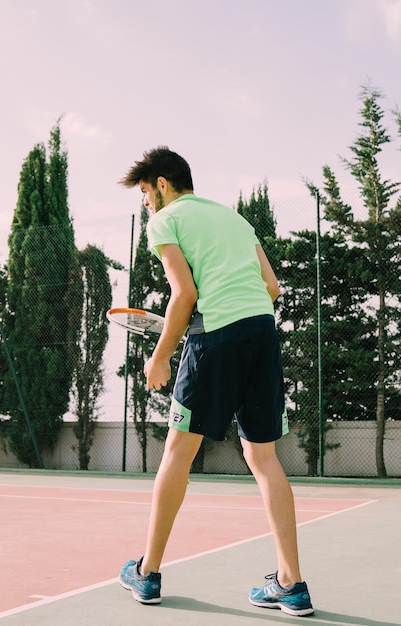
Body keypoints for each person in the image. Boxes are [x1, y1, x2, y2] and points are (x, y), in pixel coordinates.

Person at [117, 147, 314, 617]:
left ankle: (147, 573)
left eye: (145, 192)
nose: (144, 203)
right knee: (263, 456)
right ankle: (292, 585)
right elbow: (271, 287)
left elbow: (184, 294)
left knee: (178, 452)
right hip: (262, 333)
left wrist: (161, 357)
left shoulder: (164, 222)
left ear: (162, 184)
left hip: (217, 337)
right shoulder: (235, 219)